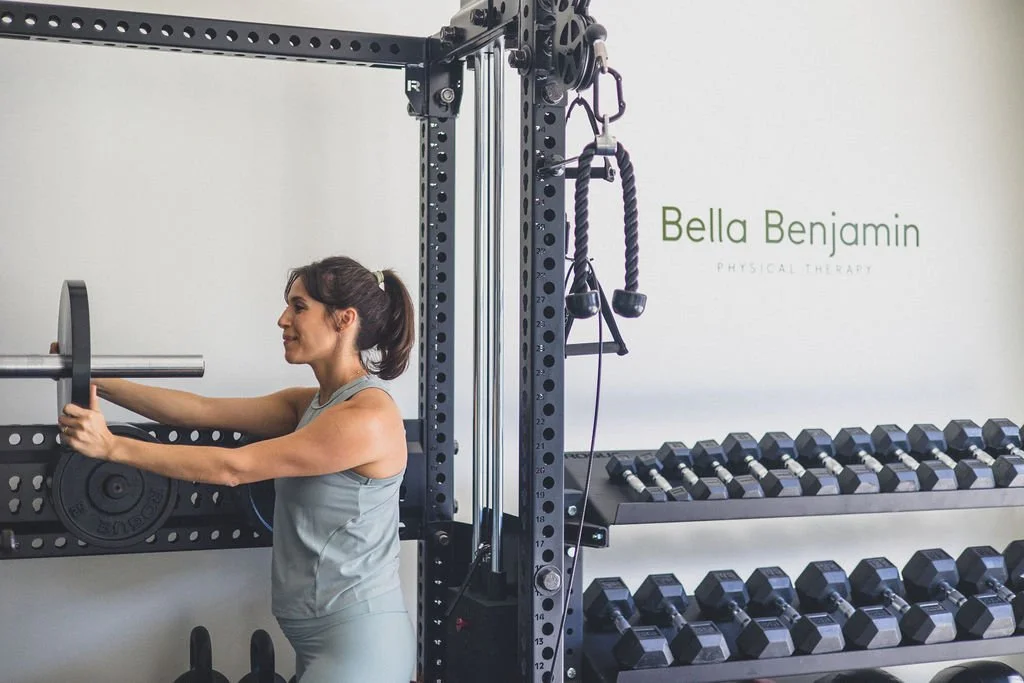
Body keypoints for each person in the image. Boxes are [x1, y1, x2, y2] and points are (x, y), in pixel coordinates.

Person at [56, 255, 418, 683]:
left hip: (360, 641)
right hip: (322, 636)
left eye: (299, 307)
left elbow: (234, 467)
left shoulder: (366, 417)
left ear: (344, 319)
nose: (283, 319)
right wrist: (90, 375)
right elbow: (198, 411)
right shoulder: (312, 404)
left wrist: (112, 446)